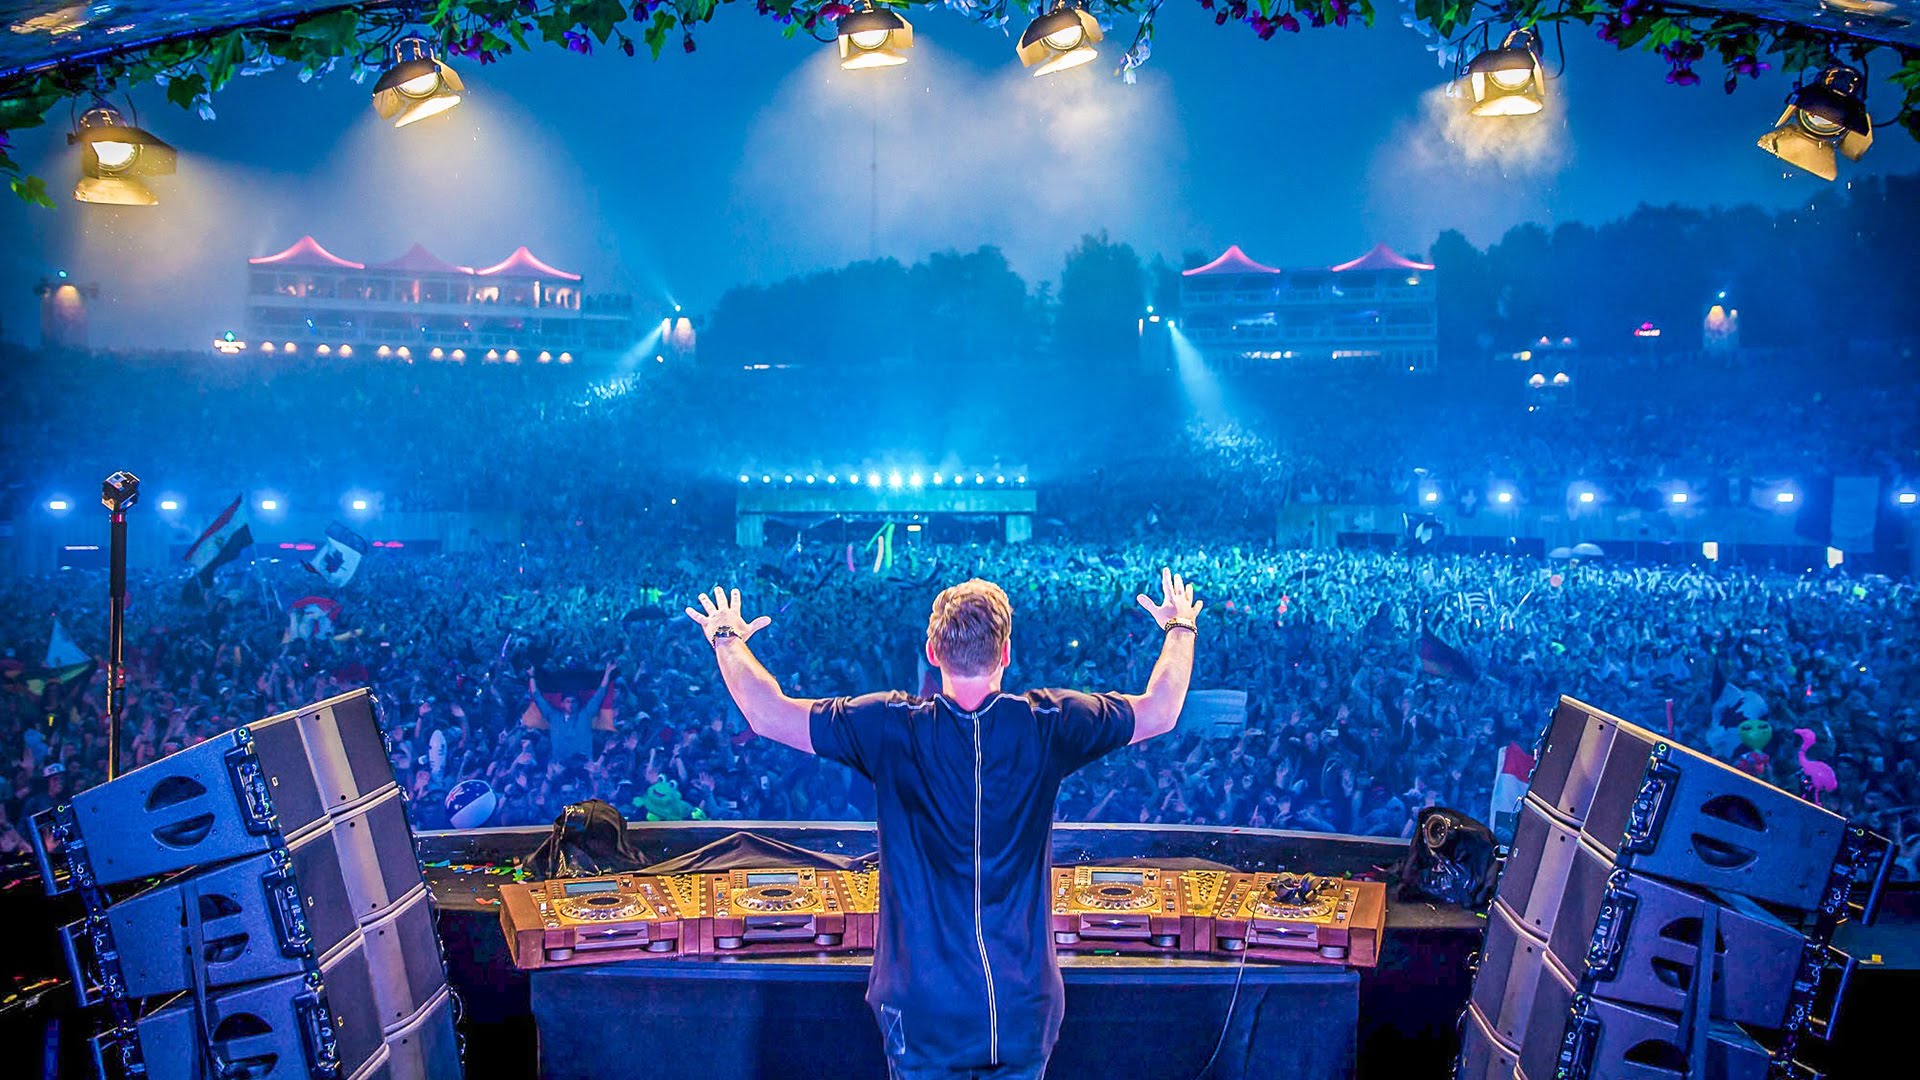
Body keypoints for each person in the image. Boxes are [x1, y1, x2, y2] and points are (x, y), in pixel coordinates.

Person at [686, 568, 1203, 1079]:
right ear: (1005, 653)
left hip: (922, 1010)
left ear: (933, 654)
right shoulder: (1050, 722)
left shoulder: (889, 726)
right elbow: (1160, 711)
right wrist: (1181, 627)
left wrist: (726, 636)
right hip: (1022, 1006)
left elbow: (768, 714)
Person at [526, 662, 614, 767]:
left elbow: (600, 694)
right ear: (562, 703)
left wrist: (608, 672)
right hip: (560, 768)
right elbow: (537, 696)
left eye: (573, 701)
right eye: (567, 701)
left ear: (578, 703)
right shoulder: (553, 716)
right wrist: (532, 676)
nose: (571, 704)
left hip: (584, 767)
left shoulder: (585, 714)